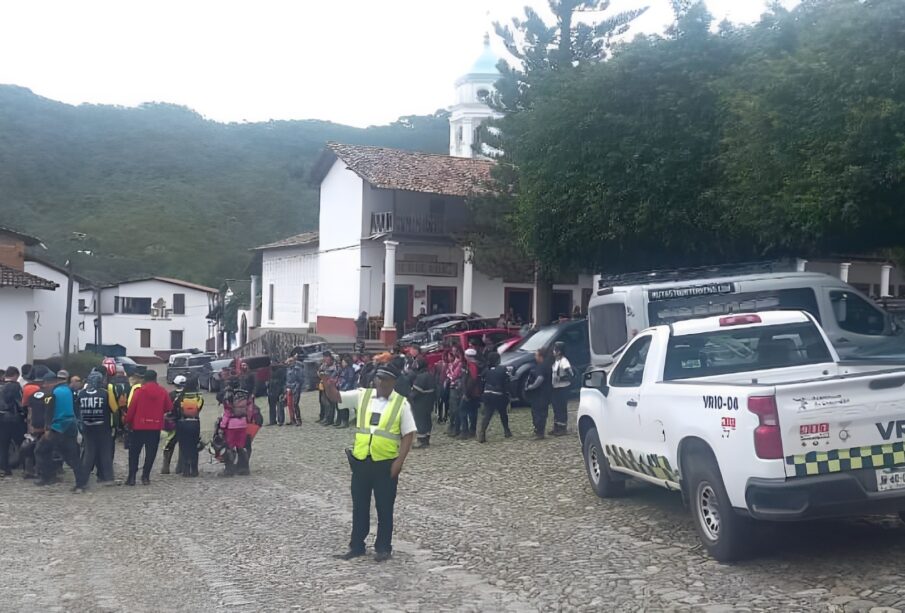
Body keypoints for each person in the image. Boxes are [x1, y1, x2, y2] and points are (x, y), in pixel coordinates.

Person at [325, 363, 416, 562]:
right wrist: (328, 384)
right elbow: (337, 397)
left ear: (393, 383)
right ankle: (357, 546)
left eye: (386, 381)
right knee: (359, 507)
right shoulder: (363, 395)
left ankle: (383, 547)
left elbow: (409, 434)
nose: (381, 383)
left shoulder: (402, 404)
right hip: (361, 461)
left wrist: (399, 462)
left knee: (384, 507)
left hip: (385, 463)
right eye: (379, 379)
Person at [34, 370, 81, 490]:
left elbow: (49, 410)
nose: (44, 385)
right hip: (71, 425)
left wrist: (48, 428)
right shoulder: (68, 390)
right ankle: (81, 481)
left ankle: (47, 477)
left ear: (51, 382)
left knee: (40, 450)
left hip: (58, 427)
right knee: (72, 455)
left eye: (46, 383)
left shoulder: (52, 392)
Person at [123, 370, 171, 486]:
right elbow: (169, 407)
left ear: (145, 379)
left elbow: (132, 409)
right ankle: (145, 477)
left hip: (138, 426)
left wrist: (126, 421)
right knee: (151, 453)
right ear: (155, 379)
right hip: (154, 426)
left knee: (134, 452)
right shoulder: (162, 391)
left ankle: (132, 477)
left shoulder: (139, 392)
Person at [76, 371, 115, 485]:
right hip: (103, 427)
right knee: (105, 453)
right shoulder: (105, 393)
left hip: (87, 427)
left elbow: (78, 407)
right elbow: (113, 409)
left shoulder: (81, 393)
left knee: (88, 454)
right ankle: (108, 478)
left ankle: (83, 479)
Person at [478, 351, 512, 442]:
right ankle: (506, 430)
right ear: (497, 360)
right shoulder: (503, 369)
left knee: (488, 414)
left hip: (487, 393)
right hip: (499, 394)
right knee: (503, 413)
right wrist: (508, 395)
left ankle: (482, 432)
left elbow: (481, 383)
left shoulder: (486, 370)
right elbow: (506, 384)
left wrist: (482, 396)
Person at [173, 376, 204, 477]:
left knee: (184, 447)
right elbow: (199, 408)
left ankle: (186, 469)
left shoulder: (181, 397)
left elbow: (175, 409)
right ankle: (194, 469)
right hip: (195, 423)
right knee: (194, 446)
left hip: (182, 423)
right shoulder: (198, 397)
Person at [219, 383, 251, 476]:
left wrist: (222, 426)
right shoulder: (244, 395)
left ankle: (229, 469)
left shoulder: (229, 397)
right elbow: (249, 410)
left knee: (229, 447)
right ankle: (244, 468)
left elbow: (227, 413)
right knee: (241, 447)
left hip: (232, 426)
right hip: (243, 424)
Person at [0, 367, 24, 476]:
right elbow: (20, 402)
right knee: (22, 442)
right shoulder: (16, 386)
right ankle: (26, 467)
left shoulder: (1, 386)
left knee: (3, 444)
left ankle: (5, 468)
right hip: (14, 418)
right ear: (15, 375)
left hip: (1, 417)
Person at [524, 350, 552, 440]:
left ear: (541, 357)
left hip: (540, 394)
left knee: (539, 413)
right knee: (541, 413)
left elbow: (540, 379)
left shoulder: (542, 367)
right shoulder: (547, 365)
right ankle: (539, 431)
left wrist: (531, 387)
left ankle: (539, 433)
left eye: (536, 355)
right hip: (545, 393)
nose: (535, 357)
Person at [408, 358, 435, 448]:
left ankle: (421, 440)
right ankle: (426, 438)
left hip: (421, 402)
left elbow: (416, 392)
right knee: (427, 420)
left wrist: (409, 397)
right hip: (429, 401)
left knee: (420, 420)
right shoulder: (429, 375)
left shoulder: (421, 377)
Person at [161, 375, 185, 475]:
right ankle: (180, 468)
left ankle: (165, 467)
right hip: (185, 423)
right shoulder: (188, 395)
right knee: (183, 446)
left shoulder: (171, 395)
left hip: (173, 424)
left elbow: (166, 408)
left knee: (169, 445)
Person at [549, 341, 574, 436]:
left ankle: (562, 428)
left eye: (555, 349)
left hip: (562, 388)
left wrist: (561, 378)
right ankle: (556, 427)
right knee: (556, 408)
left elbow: (571, 374)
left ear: (559, 351)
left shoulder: (564, 361)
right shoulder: (555, 361)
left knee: (561, 409)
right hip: (555, 388)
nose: (553, 351)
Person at [458, 349, 482, 440]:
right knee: (473, 412)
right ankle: (472, 430)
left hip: (471, 393)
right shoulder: (476, 365)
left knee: (462, 411)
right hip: (475, 393)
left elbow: (472, 380)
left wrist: (466, 393)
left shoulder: (472, 366)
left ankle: (465, 431)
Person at [445, 346, 464, 437]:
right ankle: (452, 427)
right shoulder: (451, 364)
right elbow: (447, 373)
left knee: (456, 409)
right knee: (452, 409)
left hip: (457, 388)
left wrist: (450, 375)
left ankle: (457, 428)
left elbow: (453, 375)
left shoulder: (459, 363)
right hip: (452, 387)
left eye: (455, 351)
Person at [317, 352, 338, 426]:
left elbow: (334, 375)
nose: (325, 359)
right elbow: (319, 372)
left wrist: (326, 376)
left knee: (330, 404)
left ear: (330, 358)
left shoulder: (335, 366)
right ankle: (325, 417)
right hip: (323, 386)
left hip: (331, 386)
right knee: (324, 402)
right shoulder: (324, 365)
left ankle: (330, 419)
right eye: (324, 358)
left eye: (326, 358)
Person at [335, 355, 356, 428]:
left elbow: (350, 380)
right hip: (340, 388)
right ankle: (341, 420)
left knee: (344, 406)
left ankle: (345, 422)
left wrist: (344, 388)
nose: (342, 363)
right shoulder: (343, 369)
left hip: (345, 390)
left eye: (343, 362)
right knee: (340, 406)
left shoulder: (350, 370)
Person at [285, 356, 304, 427]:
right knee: (289, 404)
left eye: (290, 361)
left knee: (295, 404)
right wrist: (287, 387)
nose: (289, 362)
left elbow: (300, 380)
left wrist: (296, 388)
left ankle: (299, 420)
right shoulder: (287, 369)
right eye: (288, 361)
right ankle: (292, 419)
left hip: (296, 388)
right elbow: (287, 379)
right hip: (289, 388)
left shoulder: (297, 369)